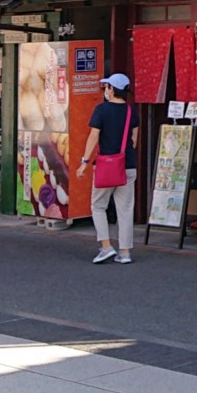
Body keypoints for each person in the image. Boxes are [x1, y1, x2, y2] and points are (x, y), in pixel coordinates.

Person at [76, 73, 140, 264]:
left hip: (106, 166)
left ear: (112, 89)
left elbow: (93, 137)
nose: (105, 90)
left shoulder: (101, 110)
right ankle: (125, 252)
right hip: (127, 165)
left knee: (98, 205)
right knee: (126, 209)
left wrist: (84, 162)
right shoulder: (131, 111)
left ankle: (105, 247)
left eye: (106, 87)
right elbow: (134, 141)